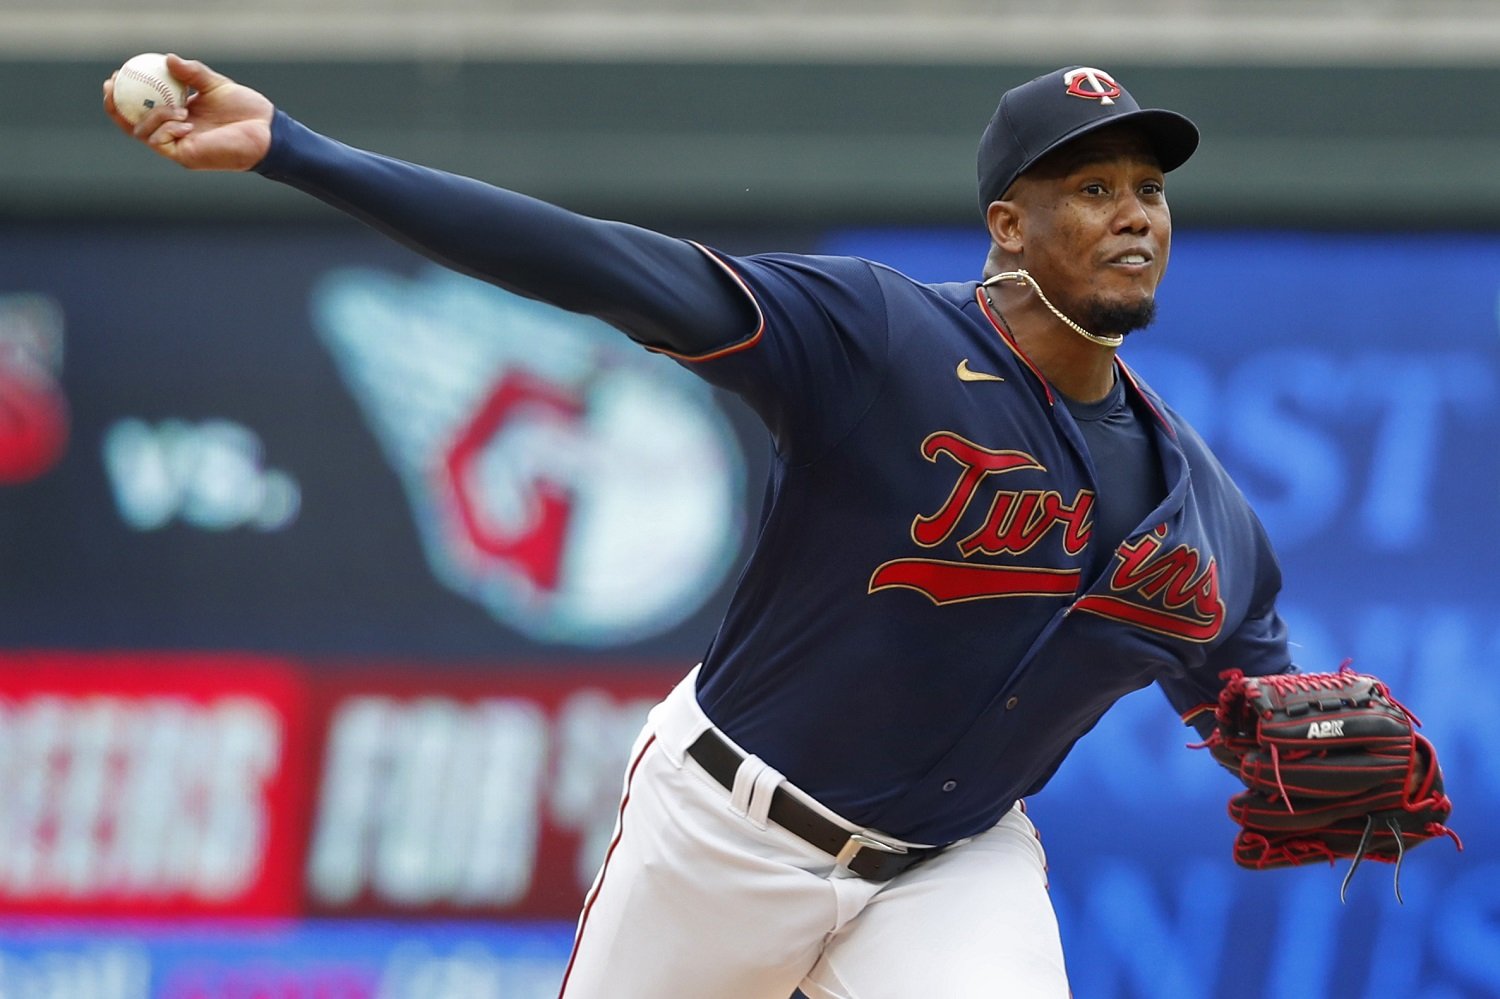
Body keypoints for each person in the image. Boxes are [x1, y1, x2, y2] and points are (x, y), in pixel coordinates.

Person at [105, 59, 1295, 997]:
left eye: (1148, 189)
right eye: (1091, 190)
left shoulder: (1204, 511)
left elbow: (1249, 704)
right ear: (1007, 226)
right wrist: (296, 151)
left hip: (950, 864)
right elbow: (597, 264)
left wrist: (1295, 758)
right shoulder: (881, 340)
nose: (1134, 214)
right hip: (724, 833)